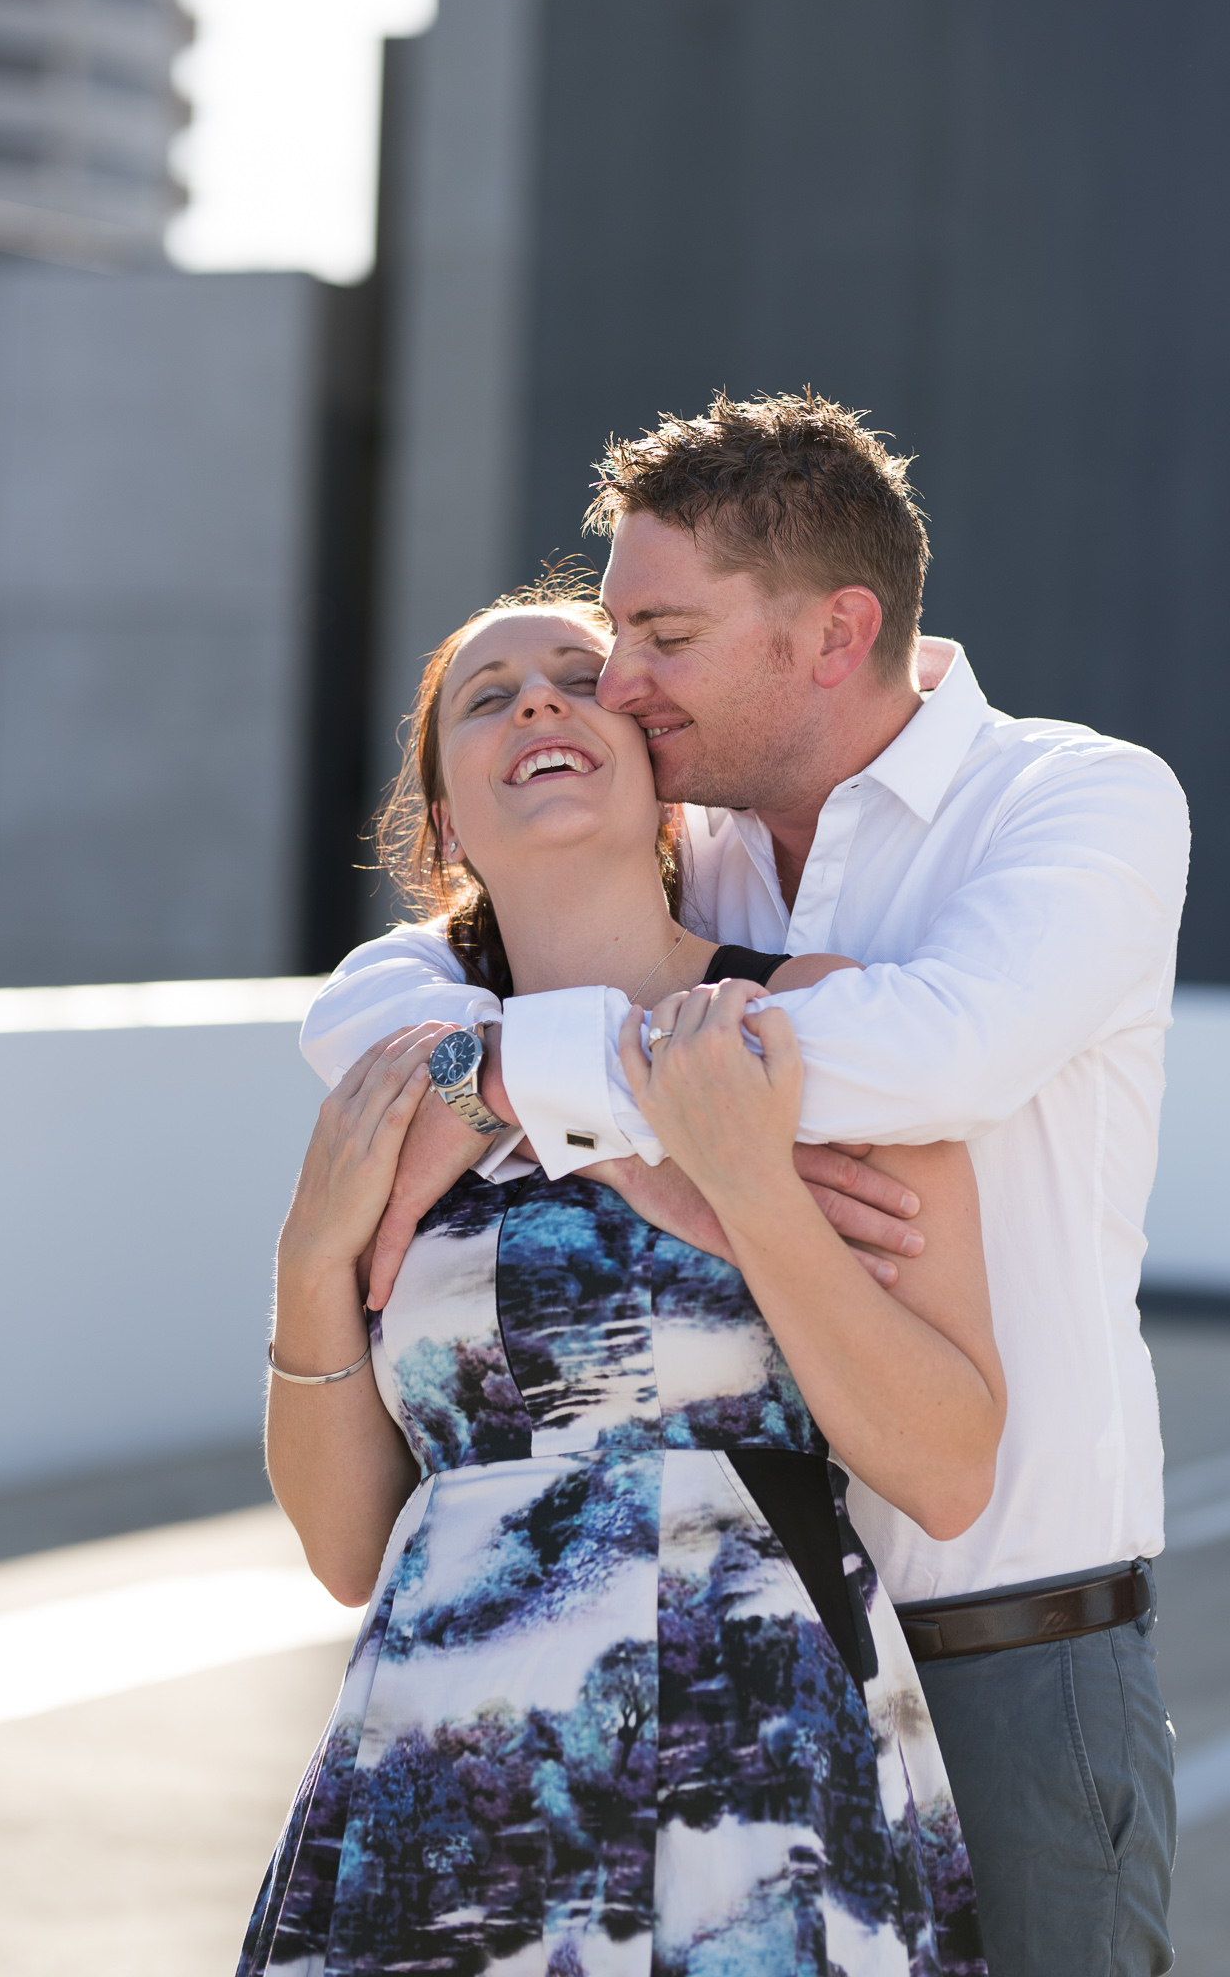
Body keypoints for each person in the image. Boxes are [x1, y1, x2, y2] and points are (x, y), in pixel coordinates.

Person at [301, 392, 1190, 1977]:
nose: (619, 688)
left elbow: (946, 1050)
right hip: (640, 1675)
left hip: (1006, 1636)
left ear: (834, 633)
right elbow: (381, 989)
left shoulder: (1074, 801)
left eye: (655, 637)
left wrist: (527, 1077)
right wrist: (471, 1070)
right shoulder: (685, 832)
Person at [241, 598, 1001, 1976]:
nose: (537, 703)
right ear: (446, 830)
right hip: (444, 1770)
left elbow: (948, 1468)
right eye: (489, 696)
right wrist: (307, 1262)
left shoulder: (825, 1028)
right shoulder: (402, 1086)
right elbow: (351, 1550)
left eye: (580, 680)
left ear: (665, 781)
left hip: (755, 1750)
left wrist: (744, 1188)